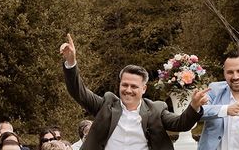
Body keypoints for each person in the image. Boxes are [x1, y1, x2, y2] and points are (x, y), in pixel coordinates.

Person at [60, 33, 209, 150]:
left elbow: (181, 124)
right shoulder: (106, 104)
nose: (128, 90)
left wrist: (194, 106)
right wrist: (71, 63)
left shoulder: (156, 109)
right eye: (124, 85)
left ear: (144, 89)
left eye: (134, 86)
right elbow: (78, 92)